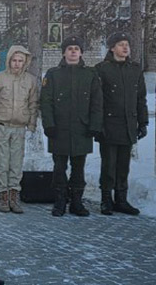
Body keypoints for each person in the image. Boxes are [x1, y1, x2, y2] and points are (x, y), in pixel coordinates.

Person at [40, 35, 102, 217]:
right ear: (64, 52)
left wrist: (94, 125)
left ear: (81, 52)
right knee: (59, 167)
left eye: (76, 48)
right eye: (70, 48)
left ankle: (76, 202)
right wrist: (49, 125)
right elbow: (46, 101)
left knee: (79, 167)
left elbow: (97, 103)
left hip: (82, 129)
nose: (73, 51)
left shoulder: (90, 74)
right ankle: (59, 201)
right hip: (59, 129)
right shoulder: (53, 74)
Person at [94, 32, 148, 216]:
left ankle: (121, 200)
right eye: (120, 44)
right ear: (112, 48)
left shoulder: (135, 69)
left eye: (127, 44)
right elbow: (97, 100)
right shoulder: (101, 69)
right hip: (108, 124)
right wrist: (97, 124)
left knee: (123, 165)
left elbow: (141, 98)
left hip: (128, 125)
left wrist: (143, 122)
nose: (125, 48)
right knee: (108, 164)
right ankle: (106, 200)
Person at [0, 45, 39, 214]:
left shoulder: (30, 80)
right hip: (2, 126)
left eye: (20, 61)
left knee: (16, 163)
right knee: (2, 162)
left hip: (20, 127)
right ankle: (3, 196)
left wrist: (31, 125)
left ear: (25, 62)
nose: (17, 64)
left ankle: (14, 196)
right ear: (9, 60)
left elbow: (33, 104)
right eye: (14, 60)